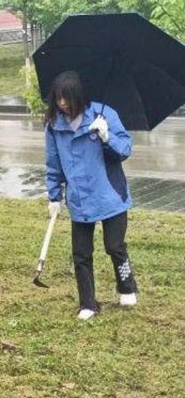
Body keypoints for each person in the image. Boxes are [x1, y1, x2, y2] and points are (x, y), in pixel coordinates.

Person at [45, 71, 138, 321]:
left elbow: (125, 149)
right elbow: (53, 163)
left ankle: (127, 286)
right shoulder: (54, 125)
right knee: (81, 255)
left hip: (110, 194)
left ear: (78, 96)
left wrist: (107, 137)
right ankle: (88, 303)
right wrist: (54, 196)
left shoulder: (104, 114)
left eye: (66, 98)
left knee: (115, 246)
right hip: (80, 199)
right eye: (58, 98)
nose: (62, 104)